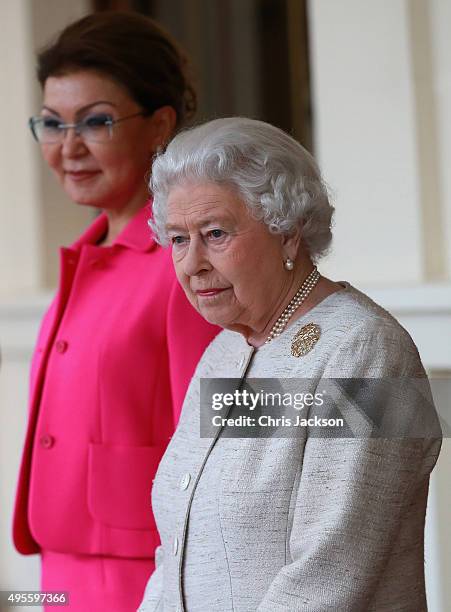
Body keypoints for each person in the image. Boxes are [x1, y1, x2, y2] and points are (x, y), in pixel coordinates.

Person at [139, 117, 442, 611]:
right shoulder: (226, 350)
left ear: (288, 232)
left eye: (214, 233)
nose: (192, 262)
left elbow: (328, 574)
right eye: (177, 238)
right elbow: (176, 553)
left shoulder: (369, 352)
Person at [13, 12, 219, 612]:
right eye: (52, 124)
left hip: (146, 576)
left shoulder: (186, 263)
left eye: (95, 122)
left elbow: (214, 429)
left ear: (160, 126)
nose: (68, 147)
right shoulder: (89, 256)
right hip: (60, 572)